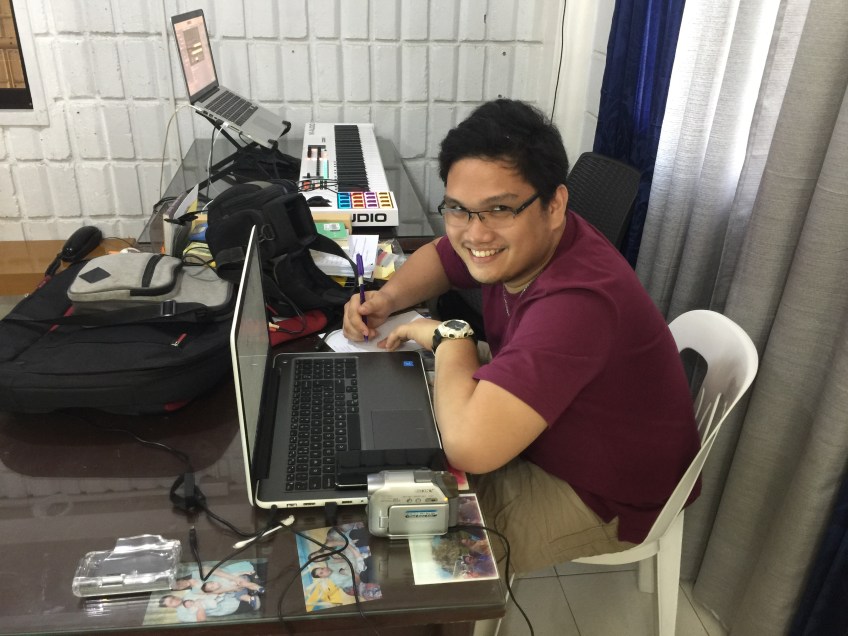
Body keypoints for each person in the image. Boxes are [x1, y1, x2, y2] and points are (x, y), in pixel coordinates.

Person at [342, 99, 701, 574]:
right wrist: (386, 299)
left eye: (499, 209)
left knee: (398, 551)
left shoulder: (578, 302)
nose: (475, 234)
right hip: (555, 426)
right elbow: (444, 254)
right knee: (379, 437)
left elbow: (471, 446)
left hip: (600, 492)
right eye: (458, 209)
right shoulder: (531, 244)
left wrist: (452, 337)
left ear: (555, 206)